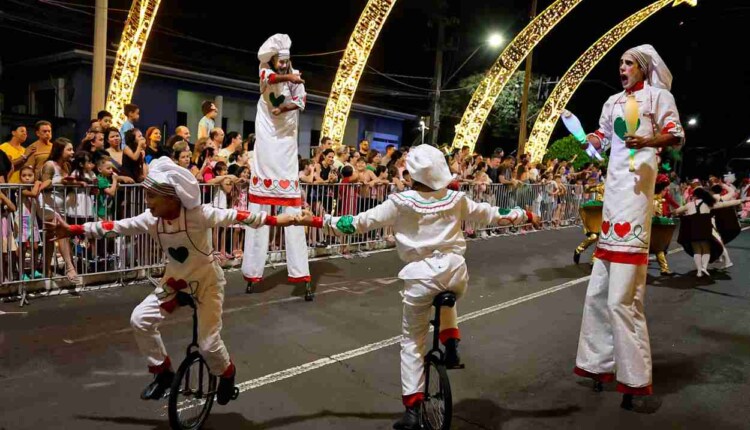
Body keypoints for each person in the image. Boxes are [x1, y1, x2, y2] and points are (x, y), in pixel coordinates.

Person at [297, 145, 540, 430]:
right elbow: (492, 213)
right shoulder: (455, 199)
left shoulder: (400, 202)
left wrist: (317, 220)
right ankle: (451, 342)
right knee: (448, 294)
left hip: (420, 279)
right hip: (454, 272)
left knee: (413, 342)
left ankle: (412, 409)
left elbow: (357, 223)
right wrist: (526, 215)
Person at [45, 158, 298, 404]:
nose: (148, 202)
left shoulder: (199, 215)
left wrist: (277, 220)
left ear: (172, 197)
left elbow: (237, 216)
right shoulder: (151, 219)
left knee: (208, 345)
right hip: (174, 282)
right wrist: (74, 230)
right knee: (140, 320)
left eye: (153, 196)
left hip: (207, 283)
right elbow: (115, 226)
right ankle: (163, 373)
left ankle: (228, 375)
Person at [574, 45, 685, 413]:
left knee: (623, 298)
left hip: (637, 196)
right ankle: (597, 365)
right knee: (598, 292)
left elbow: (675, 134)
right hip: (613, 196)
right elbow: (602, 140)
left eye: (627, 63)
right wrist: (591, 141)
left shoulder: (659, 96)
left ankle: (635, 378)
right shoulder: (611, 102)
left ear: (642, 67)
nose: (621, 68)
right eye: (619, 63)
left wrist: (648, 141)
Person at [241, 34, 312, 297]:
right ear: (273, 61)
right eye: (279, 62)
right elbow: (269, 81)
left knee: (292, 210)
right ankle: (252, 270)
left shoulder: (296, 77)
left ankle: (300, 272)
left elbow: (301, 102)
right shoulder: (265, 73)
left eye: (286, 62)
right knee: (258, 212)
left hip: (286, 145)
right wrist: (286, 79)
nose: (283, 66)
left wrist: (285, 108)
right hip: (266, 144)